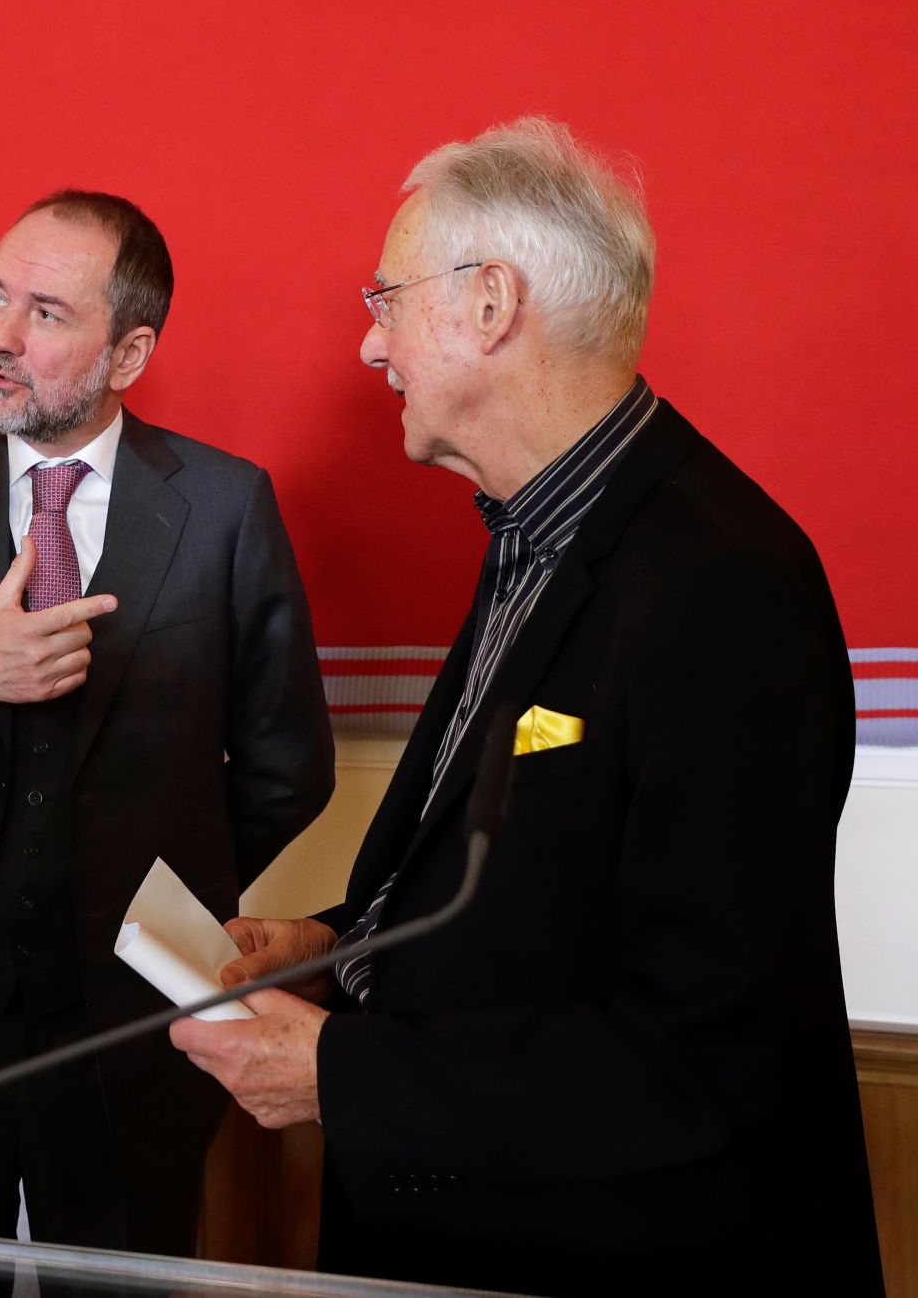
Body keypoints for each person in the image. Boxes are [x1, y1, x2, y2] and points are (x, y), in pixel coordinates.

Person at [171, 119, 885, 1297]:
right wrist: (336, 949)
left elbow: (709, 1054)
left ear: (490, 302)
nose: (368, 342)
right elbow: (537, 901)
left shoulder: (721, 584)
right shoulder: (539, 537)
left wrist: (342, 1073)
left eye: (386, 298)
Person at [0, 190, 333, 1254]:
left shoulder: (225, 508)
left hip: (132, 1034)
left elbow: (288, 764)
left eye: (43, 313)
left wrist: (165, 884)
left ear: (129, 352)